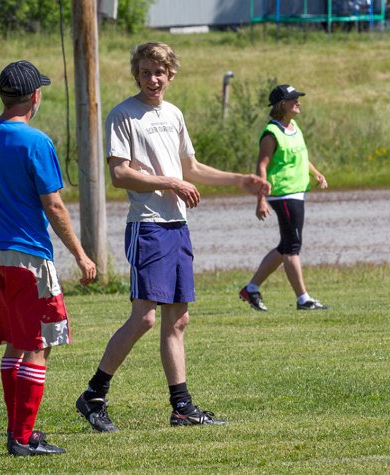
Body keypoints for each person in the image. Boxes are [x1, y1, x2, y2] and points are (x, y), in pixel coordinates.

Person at [74, 42, 269, 431]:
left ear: (171, 75)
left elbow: (190, 167)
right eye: (146, 72)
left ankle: (182, 408)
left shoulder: (174, 114)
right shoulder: (123, 115)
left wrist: (239, 180)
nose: (153, 79)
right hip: (147, 225)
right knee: (145, 317)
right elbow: (120, 174)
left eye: (159, 72)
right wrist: (170, 183)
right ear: (137, 74)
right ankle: (94, 395)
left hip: (177, 226)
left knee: (178, 320)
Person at [0, 60, 96, 456]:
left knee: (16, 344)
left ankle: (18, 430)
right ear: (35, 96)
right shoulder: (36, 142)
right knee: (39, 342)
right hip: (28, 257)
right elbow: (53, 205)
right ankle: (22, 438)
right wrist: (81, 255)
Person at [239, 85, 329, 312]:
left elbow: (301, 156)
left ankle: (251, 289)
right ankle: (303, 299)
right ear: (282, 104)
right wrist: (260, 199)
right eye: (293, 99)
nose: (298, 102)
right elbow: (262, 165)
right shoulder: (271, 133)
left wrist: (316, 173)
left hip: (296, 193)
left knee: (286, 246)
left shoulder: (294, 127)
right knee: (292, 248)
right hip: (283, 195)